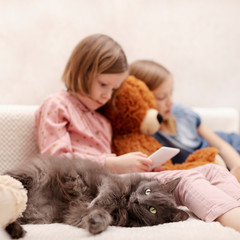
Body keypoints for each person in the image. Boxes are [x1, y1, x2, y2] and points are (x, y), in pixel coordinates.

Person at [35, 34, 240, 232]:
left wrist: (142, 166)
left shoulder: (101, 119)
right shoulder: (57, 104)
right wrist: (111, 163)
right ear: (81, 72)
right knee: (187, 181)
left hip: (116, 182)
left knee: (214, 171)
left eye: (113, 89)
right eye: (103, 84)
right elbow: (55, 160)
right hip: (88, 189)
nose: (107, 95)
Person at [129, 59, 240, 181]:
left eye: (170, 94)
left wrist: (236, 167)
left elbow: (221, 146)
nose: (170, 102)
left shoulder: (180, 112)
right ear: (141, 98)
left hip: (231, 148)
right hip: (209, 165)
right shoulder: (145, 136)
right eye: (161, 97)